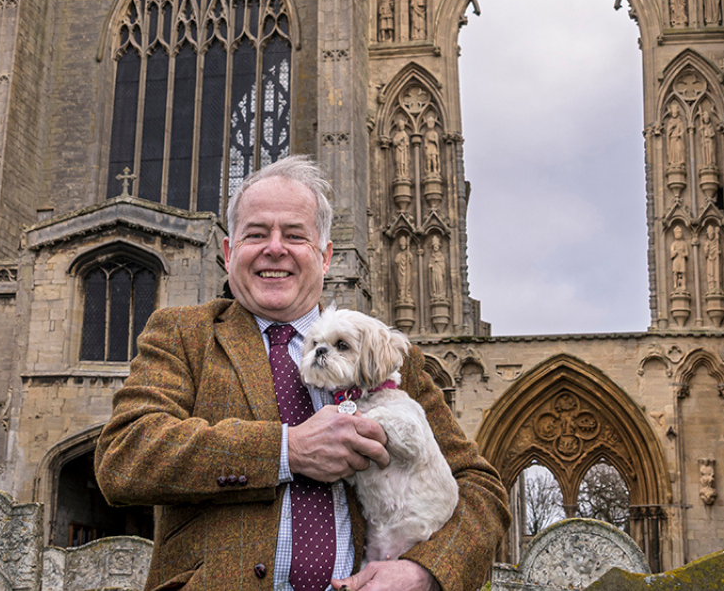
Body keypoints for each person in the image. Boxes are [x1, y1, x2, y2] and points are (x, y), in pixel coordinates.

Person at [97, 156, 507, 591]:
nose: (275, 248)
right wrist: (284, 450)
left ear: (325, 256)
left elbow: (481, 489)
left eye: (295, 235)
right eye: (256, 234)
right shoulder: (183, 335)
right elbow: (124, 456)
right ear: (228, 253)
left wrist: (424, 571)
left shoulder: (385, 356)